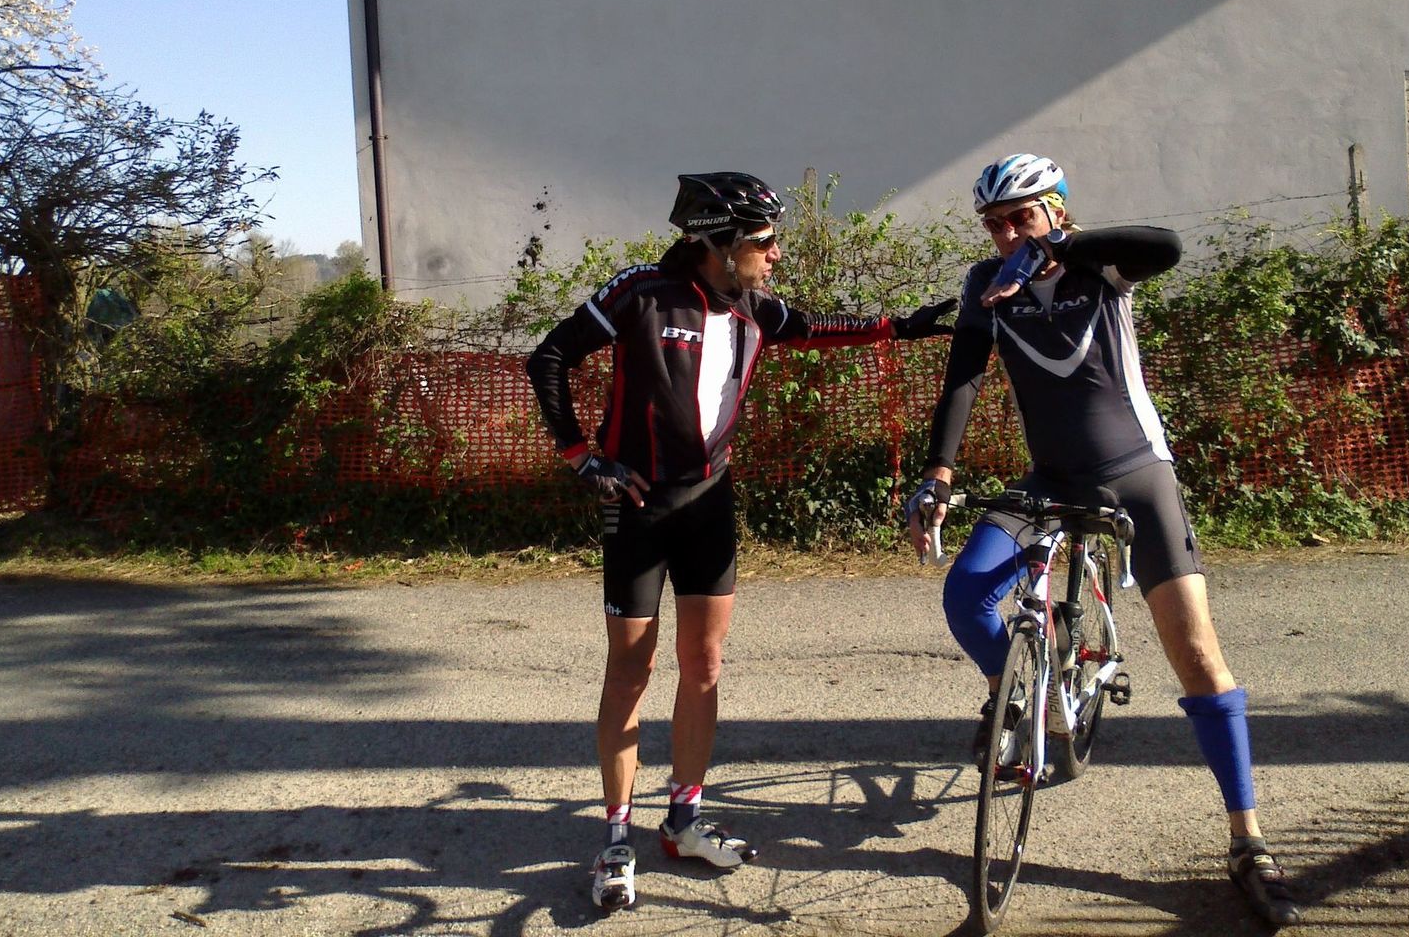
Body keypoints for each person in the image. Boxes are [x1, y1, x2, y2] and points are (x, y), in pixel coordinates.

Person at [528, 171, 956, 913]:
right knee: (631, 670)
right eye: (763, 242)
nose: (776, 253)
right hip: (637, 508)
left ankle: (683, 820)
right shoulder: (641, 292)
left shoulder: (755, 308)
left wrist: (904, 327)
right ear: (717, 245)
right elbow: (549, 358)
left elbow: (821, 326)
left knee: (704, 663)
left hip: (709, 504)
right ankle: (617, 836)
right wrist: (582, 457)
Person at [904, 153, 1301, 929]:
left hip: (1136, 477)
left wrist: (1057, 248)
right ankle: (1023, 692)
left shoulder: (1100, 268)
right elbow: (964, 376)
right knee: (966, 594)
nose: (1005, 234)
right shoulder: (988, 283)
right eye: (994, 223)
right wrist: (938, 475)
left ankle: (1248, 841)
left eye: (1021, 217)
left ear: (1057, 209)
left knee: (1198, 657)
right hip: (1050, 478)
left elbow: (1166, 246)